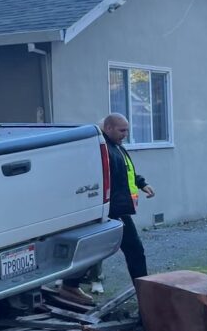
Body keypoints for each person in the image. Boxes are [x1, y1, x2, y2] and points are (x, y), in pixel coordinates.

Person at [60, 113, 154, 306]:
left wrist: (141, 183)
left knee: (132, 249)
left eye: (127, 130)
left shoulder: (116, 147)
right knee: (106, 249)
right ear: (109, 128)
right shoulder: (101, 148)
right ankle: (70, 286)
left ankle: (145, 290)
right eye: (122, 130)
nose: (126, 134)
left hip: (118, 208)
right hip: (107, 210)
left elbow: (126, 171)